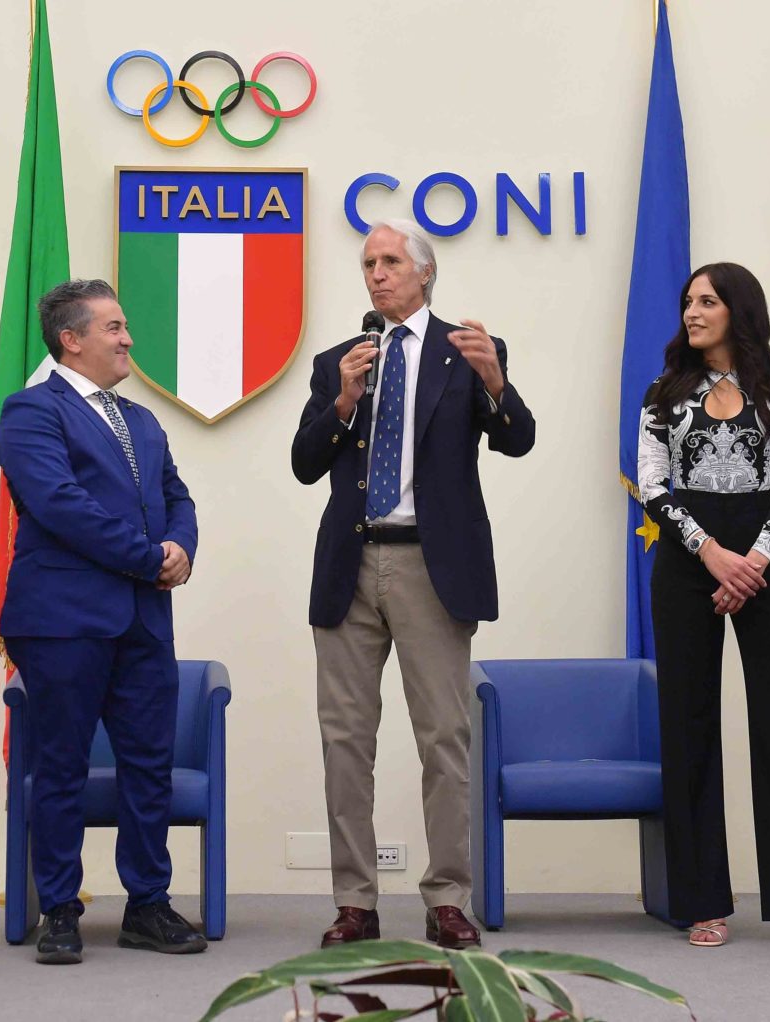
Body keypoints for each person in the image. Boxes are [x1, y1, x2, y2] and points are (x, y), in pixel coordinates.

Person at [291, 219, 535, 949]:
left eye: (391, 261)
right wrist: (341, 401)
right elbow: (304, 462)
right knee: (345, 740)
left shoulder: (469, 352)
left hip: (434, 566)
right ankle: (355, 903)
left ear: (424, 273)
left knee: (443, 739)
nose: (376, 274)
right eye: (369, 263)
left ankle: (447, 898)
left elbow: (518, 438)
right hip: (351, 564)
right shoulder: (341, 361)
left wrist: (496, 382)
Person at [637, 262, 770, 951]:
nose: (692, 312)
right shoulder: (664, 392)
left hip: (766, 563)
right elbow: (652, 485)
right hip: (686, 564)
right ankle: (701, 899)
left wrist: (752, 560)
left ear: (738, 310)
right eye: (688, 301)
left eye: (707, 301)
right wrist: (711, 554)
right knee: (689, 727)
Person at [0, 279, 202, 966]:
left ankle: (147, 904)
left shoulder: (140, 420)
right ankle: (60, 908)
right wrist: (149, 558)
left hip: (143, 620)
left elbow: (176, 496)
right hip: (62, 621)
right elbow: (59, 504)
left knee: (149, 765)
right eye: (114, 328)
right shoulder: (30, 411)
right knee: (61, 765)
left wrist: (181, 547)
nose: (128, 339)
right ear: (71, 339)